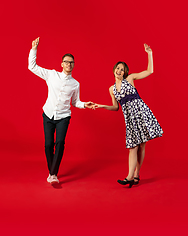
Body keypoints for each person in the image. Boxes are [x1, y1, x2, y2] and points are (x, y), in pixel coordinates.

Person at [95, 44, 163, 188]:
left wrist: (149, 53)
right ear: (114, 70)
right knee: (133, 147)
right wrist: (101, 106)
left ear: (125, 72)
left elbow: (149, 71)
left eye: (122, 69)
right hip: (130, 119)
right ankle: (131, 176)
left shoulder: (130, 79)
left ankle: (134, 175)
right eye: (117, 68)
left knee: (141, 145)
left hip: (141, 113)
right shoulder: (111, 89)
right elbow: (115, 107)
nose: (119, 71)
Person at [28, 37, 95, 184]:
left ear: (74, 65)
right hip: (48, 114)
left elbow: (76, 102)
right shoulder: (52, 75)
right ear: (62, 64)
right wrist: (34, 49)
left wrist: (85, 105)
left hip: (64, 117)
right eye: (66, 61)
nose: (68, 64)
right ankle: (51, 171)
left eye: (71, 62)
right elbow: (32, 67)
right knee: (48, 144)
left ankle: (53, 174)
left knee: (60, 143)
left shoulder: (75, 84)